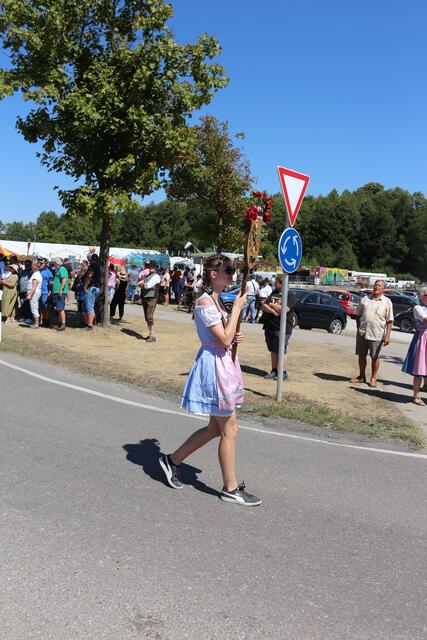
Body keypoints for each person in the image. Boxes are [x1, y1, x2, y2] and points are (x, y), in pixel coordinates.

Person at [159, 254, 262, 507]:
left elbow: (226, 337)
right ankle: (230, 488)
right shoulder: (205, 302)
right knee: (230, 429)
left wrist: (234, 334)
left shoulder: (216, 299)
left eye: (233, 270)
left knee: (216, 429)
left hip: (223, 363)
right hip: (215, 367)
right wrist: (236, 310)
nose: (232, 274)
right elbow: (223, 339)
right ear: (214, 274)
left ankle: (172, 460)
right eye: (228, 270)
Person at [350, 279, 393, 388]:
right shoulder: (365, 299)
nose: (376, 287)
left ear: (383, 289)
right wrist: (358, 326)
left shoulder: (387, 302)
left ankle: (373, 378)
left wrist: (387, 336)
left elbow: (389, 321)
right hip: (363, 332)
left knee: (375, 357)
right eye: (375, 285)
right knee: (361, 355)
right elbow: (357, 314)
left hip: (377, 334)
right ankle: (361, 376)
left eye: (379, 285)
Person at [260, 279, 297, 380]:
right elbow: (263, 306)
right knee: (273, 349)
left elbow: (285, 309)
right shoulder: (273, 293)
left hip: (283, 328)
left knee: (281, 349)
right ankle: (274, 370)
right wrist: (273, 311)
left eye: (277, 283)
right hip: (270, 326)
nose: (275, 284)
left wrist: (271, 305)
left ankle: (283, 372)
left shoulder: (290, 296)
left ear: (282, 284)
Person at [402, 287, 427, 405]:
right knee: (419, 369)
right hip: (423, 339)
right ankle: (416, 396)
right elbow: (425, 320)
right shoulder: (418, 308)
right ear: (422, 296)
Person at [140, 261, 161, 342]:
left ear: (155, 267)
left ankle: (152, 335)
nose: (151, 267)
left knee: (149, 316)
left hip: (152, 297)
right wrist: (142, 284)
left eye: (153, 266)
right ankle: (151, 334)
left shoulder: (156, 276)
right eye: (150, 266)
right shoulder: (147, 275)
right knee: (147, 317)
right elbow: (140, 283)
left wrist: (143, 284)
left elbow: (148, 285)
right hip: (145, 297)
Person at [83, 253, 102, 331]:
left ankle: (90, 326)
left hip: (92, 288)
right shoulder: (99, 266)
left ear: (91, 259)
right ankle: (91, 322)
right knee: (91, 305)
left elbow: (90, 275)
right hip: (97, 288)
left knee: (89, 306)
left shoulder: (92, 265)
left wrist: (85, 286)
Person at [52, 257, 69, 331]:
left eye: (54, 263)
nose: (53, 264)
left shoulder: (61, 269)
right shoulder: (59, 269)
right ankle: (60, 323)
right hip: (57, 291)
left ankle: (63, 324)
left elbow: (64, 279)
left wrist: (60, 289)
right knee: (59, 308)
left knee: (61, 308)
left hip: (60, 292)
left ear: (56, 263)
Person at [27, 260, 43, 329]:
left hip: (34, 293)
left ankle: (36, 324)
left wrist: (30, 295)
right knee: (35, 307)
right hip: (36, 292)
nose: (31, 267)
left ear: (34, 267)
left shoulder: (36, 275)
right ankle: (36, 323)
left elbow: (34, 287)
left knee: (34, 308)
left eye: (32, 265)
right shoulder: (37, 274)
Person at [39, 259, 53, 328]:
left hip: (45, 292)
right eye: (40, 263)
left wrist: (50, 291)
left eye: (42, 263)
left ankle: (47, 321)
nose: (40, 264)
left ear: (45, 264)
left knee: (46, 308)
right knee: (41, 308)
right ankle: (42, 321)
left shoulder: (48, 272)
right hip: (39, 292)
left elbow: (51, 282)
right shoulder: (38, 271)